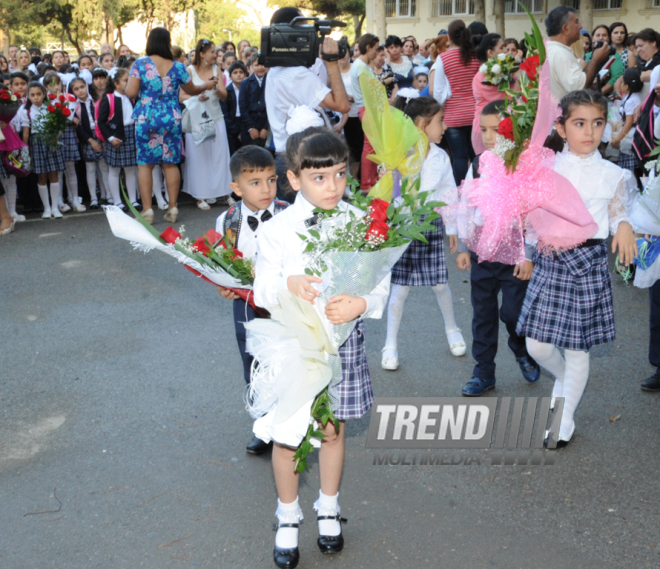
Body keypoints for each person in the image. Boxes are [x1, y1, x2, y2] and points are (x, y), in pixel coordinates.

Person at [253, 126, 389, 568]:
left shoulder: (357, 221)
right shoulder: (275, 231)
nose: (333, 186)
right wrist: (286, 283)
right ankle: (287, 515)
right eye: (319, 177)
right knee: (289, 435)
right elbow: (260, 288)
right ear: (293, 179)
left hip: (342, 344)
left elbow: (379, 278)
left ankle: (328, 506)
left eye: (340, 174)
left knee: (332, 430)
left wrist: (362, 302)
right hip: (296, 346)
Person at [517, 90, 637, 447]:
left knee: (577, 347)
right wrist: (523, 253)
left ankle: (563, 417)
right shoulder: (546, 168)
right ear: (561, 127)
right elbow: (529, 218)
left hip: (588, 263)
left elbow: (618, 212)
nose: (590, 132)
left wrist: (626, 225)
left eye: (597, 123)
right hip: (550, 260)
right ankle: (568, 380)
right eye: (579, 123)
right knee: (537, 345)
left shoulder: (612, 174)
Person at [455, 100, 540, 396]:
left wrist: (528, 255)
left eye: (496, 130)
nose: (490, 137)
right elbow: (466, 205)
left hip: (515, 254)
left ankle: (521, 347)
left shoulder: (523, 166)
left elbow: (532, 214)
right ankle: (484, 372)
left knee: (513, 313)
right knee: (483, 314)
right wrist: (464, 246)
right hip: (483, 252)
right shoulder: (478, 164)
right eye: (484, 130)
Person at [381, 95, 465, 372]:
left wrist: (452, 227)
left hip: (429, 225)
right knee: (400, 289)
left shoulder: (441, 157)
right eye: (439, 122)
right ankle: (390, 345)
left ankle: (452, 328)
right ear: (420, 125)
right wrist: (388, 175)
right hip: (403, 227)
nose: (444, 127)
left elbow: (448, 194)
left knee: (440, 284)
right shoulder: (399, 155)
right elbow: (389, 193)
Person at [215, 146, 288, 454]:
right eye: (255, 183)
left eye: (271, 180)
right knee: (254, 363)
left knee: (288, 359)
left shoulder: (290, 213)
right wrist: (223, 284)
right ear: (236, 188)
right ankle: (263, 424)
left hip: (286, 302)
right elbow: (220, 262)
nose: (266, 189)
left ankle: (291, 419)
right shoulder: (228, 221)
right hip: (246, 304)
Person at [125, 27, 218, 224]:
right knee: (170, 162)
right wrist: (205, 86)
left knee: (145, 164)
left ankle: (148, 210)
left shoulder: (140, 64)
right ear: (168, 43)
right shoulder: (178, 67)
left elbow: (131, 92)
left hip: (146, 117)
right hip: (171, 117)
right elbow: (191, 89)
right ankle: (173, 207)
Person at [264, 7, 350, 201]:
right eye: (304, 33)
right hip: (304, 159)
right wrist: (331, 62)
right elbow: (342, 104)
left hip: (284, 157)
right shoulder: (297, 74)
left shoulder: (275, 71)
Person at [181, 38, 232, 210]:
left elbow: (224, 96)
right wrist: (197, 96)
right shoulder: (189, 70)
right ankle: (200, 196)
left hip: (216, 117)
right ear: (202, 54)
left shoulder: (217, 69)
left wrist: (215, 88)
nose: (215, 55)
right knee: (198, 158)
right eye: (211, 52)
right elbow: (181, 96)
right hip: (197, 120)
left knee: (219, 156)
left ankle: (225, 192)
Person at [433, 19, 481, 184]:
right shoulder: (476, 56)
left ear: (449, 37)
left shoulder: (443, 58)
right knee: (476, 156)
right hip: (475, 114)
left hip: (453, 116)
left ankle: (460, 193)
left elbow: (438, 93)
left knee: (459, 157)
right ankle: (478, 189)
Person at [19, 81, 65, 219]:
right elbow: (26, 132)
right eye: (32, 95)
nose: (36, 98)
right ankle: (46, 208)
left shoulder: (51, 106)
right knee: (42, 176)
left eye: (39, 94)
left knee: (54, 174)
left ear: (44, 94)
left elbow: (58, 126)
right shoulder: (25, 111)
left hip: (52, 141)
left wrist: (56, 137)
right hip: (37, 142)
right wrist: (25, 151)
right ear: (28, 96)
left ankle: (55, 207)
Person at [544, 6, 611, 100]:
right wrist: (595, 60)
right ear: (565, 28)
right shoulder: (561, 54)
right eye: (576, 22)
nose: (581, 26)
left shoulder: (549, 50)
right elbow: (580, 89)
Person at [98, 68, 138, 210]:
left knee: (131, 169)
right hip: (116, 136)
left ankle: (133, 200)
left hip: (130, 133)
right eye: (126, 81)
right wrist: (110, 138)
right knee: (114, 170)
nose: (129, 83)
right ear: (116, 83)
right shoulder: (109, 99)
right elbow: (101, 122)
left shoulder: (132, 97)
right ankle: (117, 201)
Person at [351, 33, 379, 189]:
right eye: (375, 49)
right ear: (368, 48)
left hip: (367, 108)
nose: (376, 52)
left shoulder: (361, 66)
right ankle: (367, 183)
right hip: (368, 109)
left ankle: (370, 180)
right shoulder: (361, 67)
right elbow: (368, 91)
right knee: (370, 147)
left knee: (371, 146)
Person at [73, 74, 104, 209]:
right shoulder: (74, 106)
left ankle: (106, 194)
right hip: (87, 138)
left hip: (101, 135)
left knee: (104, 167)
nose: (80, 90)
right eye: (76, 89)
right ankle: (93, 198)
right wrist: (90, 140)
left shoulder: (96, 100)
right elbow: (78, 128)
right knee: (90, 169)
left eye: (82, 87)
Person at [471, 33, 505, 156]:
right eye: (502, 48)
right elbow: (506, 98)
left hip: (499, 128)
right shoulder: (482, 76)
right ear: (490, 53)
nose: (505, 51)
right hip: (486, 129)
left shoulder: (505, 73)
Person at [61, 79, 86, 212]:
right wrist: (70, 118)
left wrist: (71, 118)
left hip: (70, 136)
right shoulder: (48, 101)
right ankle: (59, 201)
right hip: (57, 136)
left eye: (57, 83)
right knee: (58, 172)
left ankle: (74, 198)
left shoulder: (70, 100)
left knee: (71, 169)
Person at [611, 69, 643, 174]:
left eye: (622, 82)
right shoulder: (635, 97)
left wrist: (618, 139)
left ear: (627, 86)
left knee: (630, 170)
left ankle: (633, 188)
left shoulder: (631, 101)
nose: (620, 84)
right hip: (633, 133)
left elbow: (629, 123)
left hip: (630, 136)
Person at [583, 25, 624, 96]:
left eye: (604, 35)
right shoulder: (587, 56)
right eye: (598, 35)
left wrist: (599, 94)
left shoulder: (614, 55)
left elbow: (616, 77)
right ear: (592, 39)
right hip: (588, 95)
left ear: (608, 38)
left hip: (607, 96)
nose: (601, 38)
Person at [239, 54, 269, 148]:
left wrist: (266, 127)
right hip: (250, 126)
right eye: (256, 65)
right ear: (250, 67)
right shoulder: (245, 83)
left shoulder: (271, 82)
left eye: (262, 64)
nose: (260, 67)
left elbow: (274, 106)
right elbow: (243, 107)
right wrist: (251, 127)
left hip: (266, 124)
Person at [223, 61, 247, 155]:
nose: (238, 75)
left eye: (241, 72)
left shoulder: (248, 89)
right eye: (235, 72)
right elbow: (225, 114)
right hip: (232, 124)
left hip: (245, 122)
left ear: (245, 75)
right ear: (230, 76)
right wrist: (236, 131)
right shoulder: (227, 92)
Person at [635, 28, 660, 96]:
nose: (638, 49)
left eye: (641, 45)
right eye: (637, 47)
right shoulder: (644, 63)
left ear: (653, 43)